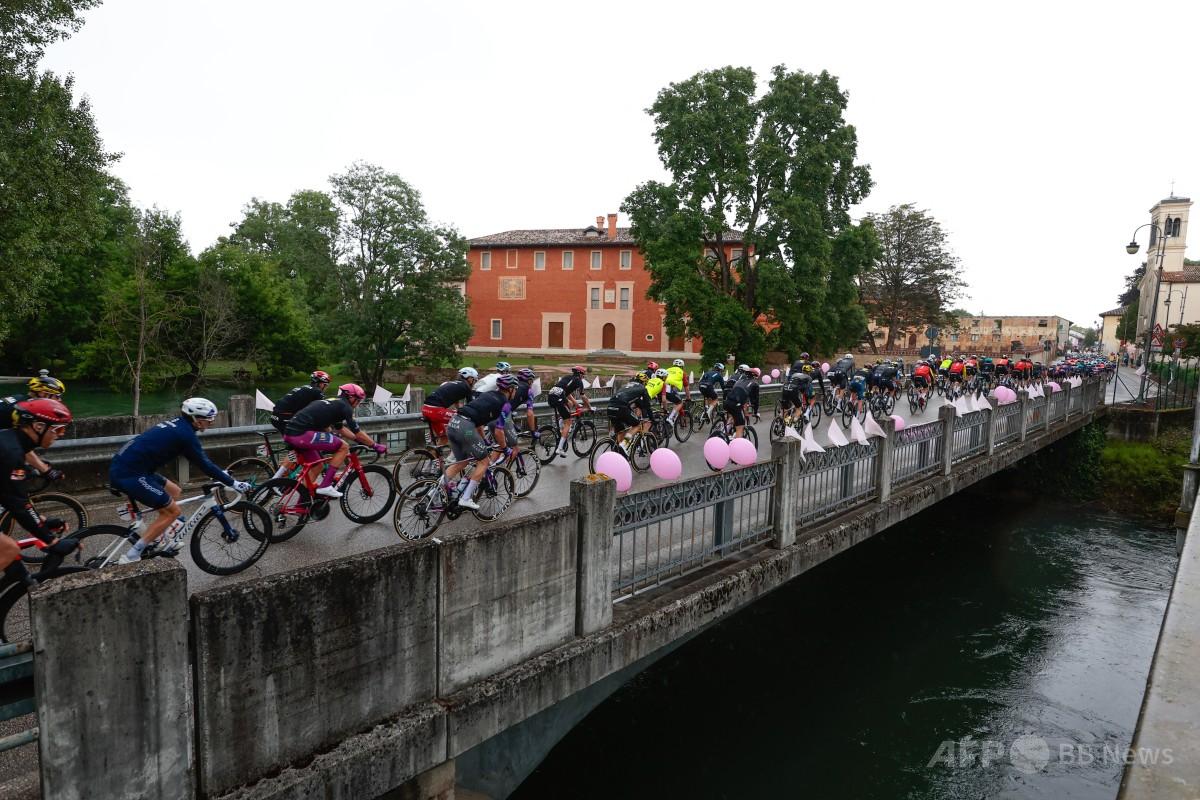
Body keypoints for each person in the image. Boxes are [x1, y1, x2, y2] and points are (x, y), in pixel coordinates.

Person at [109, 398, 254, 564]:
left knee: (175, 491)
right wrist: (233, 483)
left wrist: (221, 475)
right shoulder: (185, 436)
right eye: (209, 420)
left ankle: (161, 536)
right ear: (197, 421)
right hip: (130, 474)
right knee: (173, 512)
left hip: (132, 468)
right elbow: (205, 465)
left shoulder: (178, 424)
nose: (211, 423)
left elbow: (204, 463)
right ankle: (132, 555)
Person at [0, 399, 77, 588]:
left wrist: (42, 521)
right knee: (10, 549)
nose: (60, 435)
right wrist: (51, 541)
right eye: (58, 429)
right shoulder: (11, 452)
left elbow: (11, 498)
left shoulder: (10, 440)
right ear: (38, 426)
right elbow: (17, 503)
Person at [283, 384, 387, 500]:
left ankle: (302, 506)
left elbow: (341, 428)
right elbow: (357, 431)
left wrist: (358, 440)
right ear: (350, 397)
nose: (358, 404)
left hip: (291, 432)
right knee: (343, 447)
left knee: (318, 466)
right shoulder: (345, 407)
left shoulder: (334, 402)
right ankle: (326, 485)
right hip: (301, 434)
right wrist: (375, 445)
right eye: (357, 400)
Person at [442, 373, 518, 511]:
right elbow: (499, 431)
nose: (516, 392)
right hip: (466, 429)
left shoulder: (488, 394)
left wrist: (483, 440)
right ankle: (465, 498)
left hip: (454, 423)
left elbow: (479, 422)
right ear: (511, 389)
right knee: (484, 462)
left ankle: (435, 492)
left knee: (462, 462)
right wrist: (505, 448)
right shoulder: (505, 405)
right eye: (516, 389)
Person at [0, 374, 68, 476]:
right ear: (43, 394)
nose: (59, 400)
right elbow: (19, 446)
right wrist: (46, 470)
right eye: (57, 396)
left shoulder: (21, 400)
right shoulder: (24, 412)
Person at [268, 370, 331, 479]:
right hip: (284, 418)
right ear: (321, 384)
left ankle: (288, 472)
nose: (325, 388)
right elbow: (322, 411)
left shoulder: (305, 388)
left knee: (300, 443)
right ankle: (277, 479)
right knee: (297, 447)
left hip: (277, 417)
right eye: (325, 385)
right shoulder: (317, 392)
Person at [421, 368, 478, 445]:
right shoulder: (466, 387)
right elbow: (471, 406)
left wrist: (459, 410)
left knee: (444, 438)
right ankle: (464, 445)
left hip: (425, 409)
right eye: (475, 380)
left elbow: (456, 402)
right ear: (470, 378)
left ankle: (433, 456)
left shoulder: (452, 383)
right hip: (436, 411)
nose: (474, 382)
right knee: (465, 422)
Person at [548, 366, 593, 459]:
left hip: (551, 395)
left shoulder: (567, 378)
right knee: (568, 422)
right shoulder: (579, 381)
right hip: (559, 397)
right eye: (583, 375)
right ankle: (559, 449)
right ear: (580, 374)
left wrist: (576, 404)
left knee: (570, 404)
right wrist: (589, 407)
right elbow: (583, 396)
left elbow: (567, 393)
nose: (583, 377)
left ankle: (561, 426)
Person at [606, 371, 653, 453]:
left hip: (610, 407)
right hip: (621, 408)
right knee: (637, 425)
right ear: (644, 382)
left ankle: (619, 453)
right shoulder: (642, 388)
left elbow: (637, 403)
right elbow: (647, 406)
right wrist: (652, 418)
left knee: (621, 430)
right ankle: (624, 444)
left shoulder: (626, 386)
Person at [664, 359, 689, 424]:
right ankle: (670, 418)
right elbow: (686, 388)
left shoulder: (668, 369)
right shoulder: (682, 372)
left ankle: (664, 417)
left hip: (660, 387)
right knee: (680, 402)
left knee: (665, 406)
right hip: (668, 388)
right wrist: (688, 397)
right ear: (682, 366)